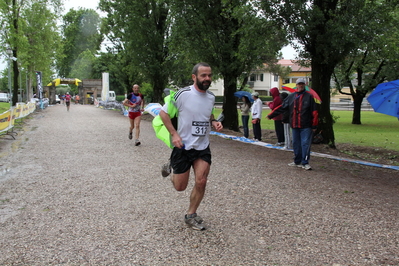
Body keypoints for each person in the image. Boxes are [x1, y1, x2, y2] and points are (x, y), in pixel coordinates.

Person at [159, 62, 223, 231]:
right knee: (180, 187)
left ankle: (191, 215)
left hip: (202, 147)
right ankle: (172, 167)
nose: (207, 78)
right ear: (194, 77)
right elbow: (163, 113)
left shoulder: (210, 97)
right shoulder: (183, 94)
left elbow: (208, 113)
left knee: (201, 181)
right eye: (203, 75)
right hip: (183, 146)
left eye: (209, 75)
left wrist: (214, 121)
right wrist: (174, 134)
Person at [267, 78, 318, 170]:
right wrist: (271, 115)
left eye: (302, 84)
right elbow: (282, 107)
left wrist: (314, 125)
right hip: (295, 125)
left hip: (306, 125)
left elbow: (314, 112)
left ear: (305, 85)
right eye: (299, 84)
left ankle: (305, 162)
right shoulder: (291, 97)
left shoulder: (309, 97)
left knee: (305, 143)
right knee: (296, 143)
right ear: (297, 85)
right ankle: (297, 161)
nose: (300, 85)